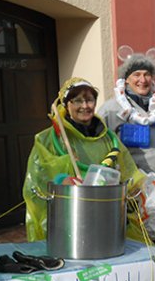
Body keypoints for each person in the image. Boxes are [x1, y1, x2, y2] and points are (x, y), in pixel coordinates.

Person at [22, 77, 145, 242]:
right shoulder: (49, 140)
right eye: (78, 101)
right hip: (69, 220)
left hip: (106, 218)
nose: (85, 106)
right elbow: (38, 182)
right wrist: (62, 174)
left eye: (89, 100)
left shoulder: (108, 138)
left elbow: (128, 172)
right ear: (67, 104)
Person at [98, 52, 155, 177]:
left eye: (147, 74)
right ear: (126, 79)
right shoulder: (111, 110)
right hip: (130, 185)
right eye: (136, 75)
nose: (142, 80)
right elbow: (99, 147)